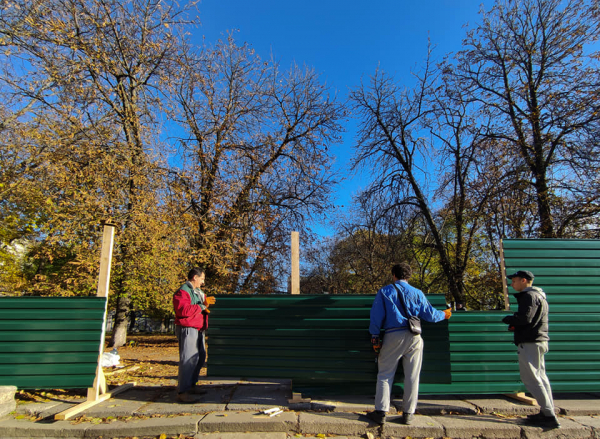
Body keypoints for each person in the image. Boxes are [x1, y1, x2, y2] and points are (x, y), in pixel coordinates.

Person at [366, 263, 452, 425]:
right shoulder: (417, 293)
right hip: (415, 336)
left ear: (393, 275)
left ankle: (381, 412)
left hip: (393, 336)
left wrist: (375, 336)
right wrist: (445, 314)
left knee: (385, 374)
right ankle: (408, 414)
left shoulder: (385, 291)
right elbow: (431, 315)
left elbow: (376, 316)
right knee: (412, 376)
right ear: (409, 276)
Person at [502, 270, 560, 428]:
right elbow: (531, 320)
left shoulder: (529, 296)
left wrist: (508, 319)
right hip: (539, 340)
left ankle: (548, 415)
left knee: (531, 378)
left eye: (514, 281)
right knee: (541, 377)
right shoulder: (540, 296)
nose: (512, 284)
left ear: (524, 280)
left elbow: (524, 318)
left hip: (530, 342)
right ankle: (547, 411)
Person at [173, 267, 216, 403]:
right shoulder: (183, 292)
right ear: (195, 277)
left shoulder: (197, 292)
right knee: (188, 359)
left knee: (200, 357)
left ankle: (192, 385)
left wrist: (205, 306)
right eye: (202, 279)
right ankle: (183, 391)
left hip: (198, 328)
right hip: (188, 328)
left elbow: (201, 305)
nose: (203, 282)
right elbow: (182, 310)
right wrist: (202, 306)